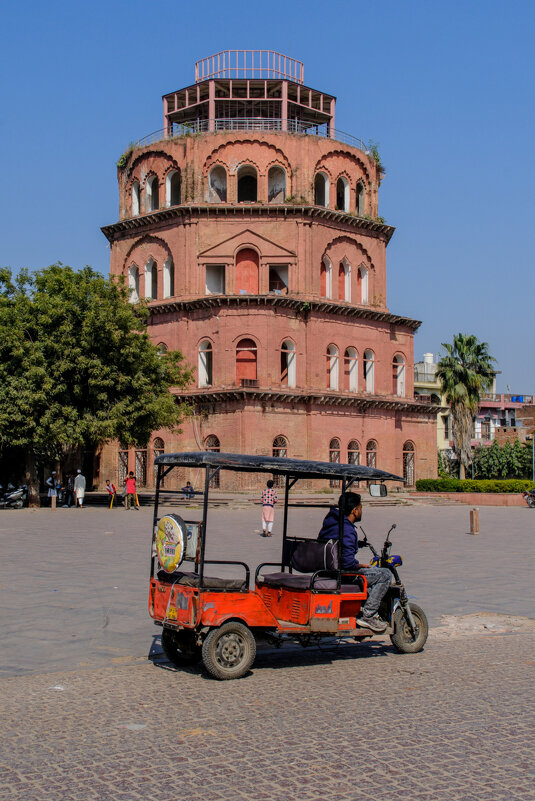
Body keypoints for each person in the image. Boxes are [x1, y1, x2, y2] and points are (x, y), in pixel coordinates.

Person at [317, 491, 391, 633]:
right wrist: (358, 565)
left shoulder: (331, 522)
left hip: (326, 569)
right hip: (343, 573)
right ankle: (368, 616)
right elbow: (347, 563)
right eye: (361, 508)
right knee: (385, 574)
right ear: (354, 510)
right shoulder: (348, 530)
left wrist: (357, 544)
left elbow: (337, 543)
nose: (361, 512)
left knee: (370, 576)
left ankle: (361, 607)